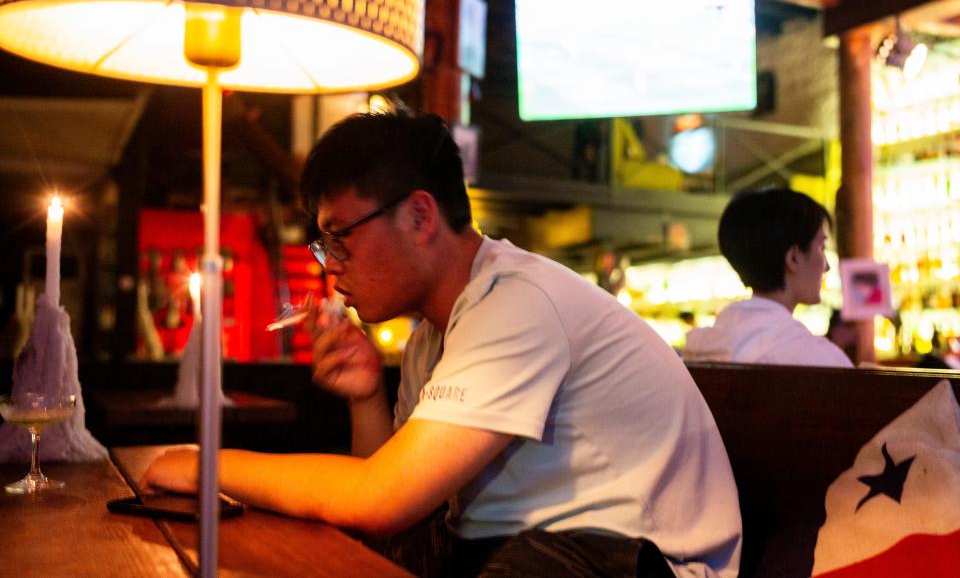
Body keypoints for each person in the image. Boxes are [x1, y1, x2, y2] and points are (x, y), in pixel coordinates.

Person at [143, 112, 742, 578]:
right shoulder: (434, 329)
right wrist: (365, 398)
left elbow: (378, 500)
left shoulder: (516, 302)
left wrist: (206, 464)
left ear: (421, 216)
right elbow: (394, 494)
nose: (331, 269)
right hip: (525, 551)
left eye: (339, 238)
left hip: (637, 561)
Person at [683, 188, 854, 368]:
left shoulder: (699, 347)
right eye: (821, 246)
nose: (826, 266)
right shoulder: (818, 358)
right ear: (793, 258)